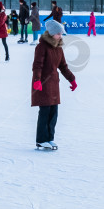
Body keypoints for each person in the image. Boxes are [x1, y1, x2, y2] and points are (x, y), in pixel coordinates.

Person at [31, 18, 76, 150]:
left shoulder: (58, 48)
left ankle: (50, 138)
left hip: (54, 84)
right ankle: (41, 140)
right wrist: (37, 81)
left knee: (54, 112)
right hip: (43, 83)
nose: (61, 36)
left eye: (61, 34)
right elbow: (37, 65)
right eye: (59, 34)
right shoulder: (41, 47)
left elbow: (63, 66)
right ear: (51, 33)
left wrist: (72, 79)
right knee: (45, 111)